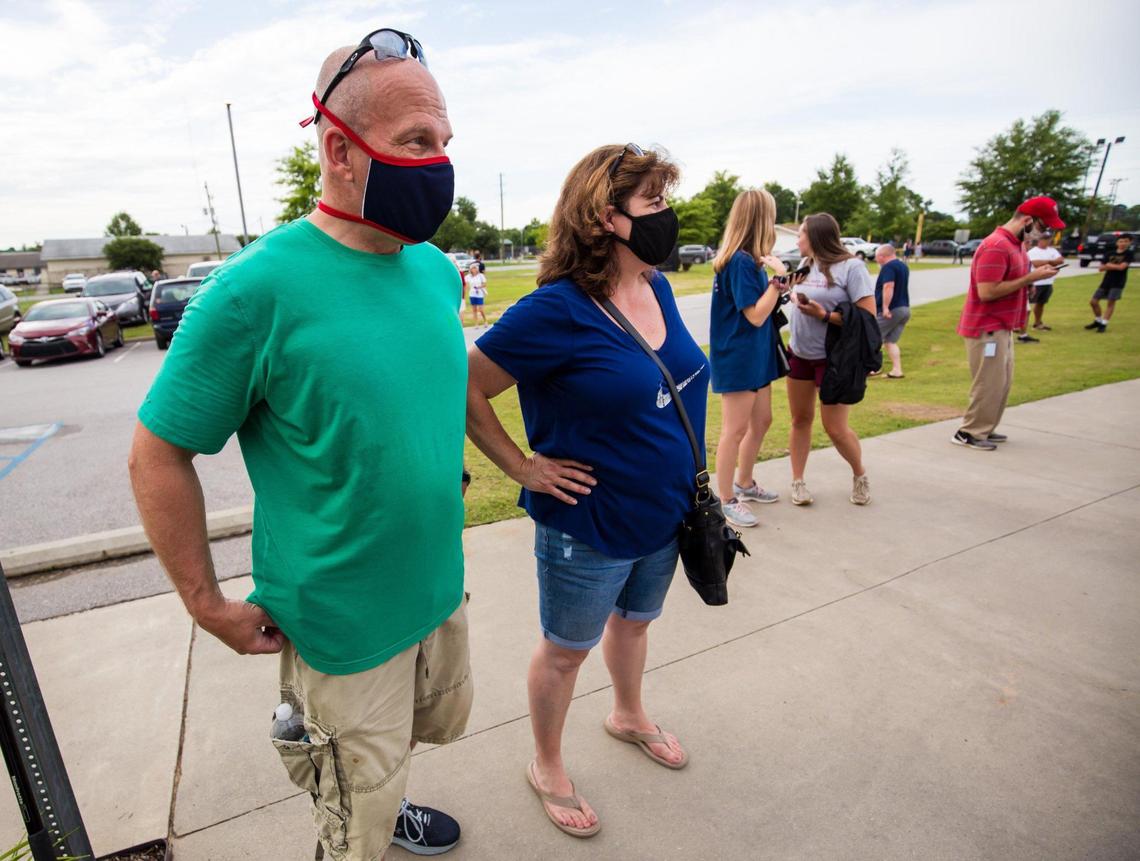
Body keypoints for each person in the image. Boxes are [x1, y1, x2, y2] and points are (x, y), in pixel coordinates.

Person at [128, 31, 472, 860]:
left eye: (446, 144)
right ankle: (363, 817)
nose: (440, 165)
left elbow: (423, 390)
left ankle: (387, 799)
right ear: (338, 150)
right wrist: (207, 604)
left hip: (436, 587)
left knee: (407, 742)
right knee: (350, 815)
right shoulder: (252, 292)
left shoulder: (429, 269)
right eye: (416, 143)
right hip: (339, 623)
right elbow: (155, 455)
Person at [467, 143, 704, 839]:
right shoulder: (557, 311)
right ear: (607, 217)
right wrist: (521, 465)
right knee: (565, 650)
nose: (668, 215)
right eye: (654, 203)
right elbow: (466, 384)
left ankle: (627, 713)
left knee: (634, 624)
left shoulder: (655, 284)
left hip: (664, 511)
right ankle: (547, 763)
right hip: (588, 524)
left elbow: (675, 380)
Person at [952, 196, 1063, 451]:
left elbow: (1015, 276)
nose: (1044, 234)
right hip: (986, 326)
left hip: (1004, 325)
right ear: (1027, 221)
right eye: (1043, 227)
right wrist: (1030, 278)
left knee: (1001, 382)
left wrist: (1032, 279)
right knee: (987, 383)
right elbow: (987, 292)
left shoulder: (1016, 246)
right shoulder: (996, 246)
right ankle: (970, 432)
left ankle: (985, 427)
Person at [785, 213, 876, 506]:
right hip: (800, 352)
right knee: (800, 419)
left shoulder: (852, 267)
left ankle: (860, 474)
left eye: (801, 233)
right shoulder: (805, 265)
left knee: (835, 428)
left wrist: (822, 315)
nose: (797, 239)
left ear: (815, 237)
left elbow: (866, 318)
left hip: (834, 358)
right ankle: (798, 482)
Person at [708, 188, 786, 528]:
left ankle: (745, 482)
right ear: (760, 218)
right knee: (735, 430)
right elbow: (755, 315)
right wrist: (778, 280)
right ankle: (725, 498)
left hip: (757, 354)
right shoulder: (739, 261)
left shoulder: (752, 261)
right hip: (738, 355)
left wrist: (775, 285)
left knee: (762, 420)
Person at [873, 243, 910, 378]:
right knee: (890, 341)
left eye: (877, 257)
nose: (876, 260)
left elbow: (888, 286)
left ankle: (873, 368)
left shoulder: (888, 267)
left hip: (892, 310)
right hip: (905, 309)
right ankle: (897, 370)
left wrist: (885, 307)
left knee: (872, 336)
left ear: (883, 256)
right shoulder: (903, 266)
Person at [1086, 234, 1134, 333]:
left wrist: (1108, 265)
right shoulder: (1109, 253)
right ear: (1117, 242)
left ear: (1129, 242)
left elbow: (1122, 267)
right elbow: (1101, 268)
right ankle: (1098, 320)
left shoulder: (1128, 254)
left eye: (1125, 241)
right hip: (1106, 281)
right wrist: (1112, 266)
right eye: (1121, 241)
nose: (1123, 243)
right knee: (1093, 301)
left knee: (1110, 302)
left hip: (1118, 282)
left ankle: (1104, 323)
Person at [1027, 233, 1062, 332]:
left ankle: (1037, 323)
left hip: (1048, 282)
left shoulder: (1052, 250)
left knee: (1041, 304)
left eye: (1048, 239)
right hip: (1036, 282)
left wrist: (1046, 262)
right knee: (1026, 305)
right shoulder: (1033, 251)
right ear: (1040, 240)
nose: (1047, 241)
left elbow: (1060, 260)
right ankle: (1019, 326)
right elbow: (1035, 263)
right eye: (1045, 239)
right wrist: (1051, 261)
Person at [466, 261, 489, 326]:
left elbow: (484, 284)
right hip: (472, 294)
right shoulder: (468, 277)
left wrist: (478, 287)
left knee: (481, 309)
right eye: (473, 268)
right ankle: (476, 323)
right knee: (474, 309)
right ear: (470, 269)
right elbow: (467, 285)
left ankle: (485, 320)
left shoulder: (481, 276)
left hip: (479, 294)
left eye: (476, 268)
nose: (475, 269)